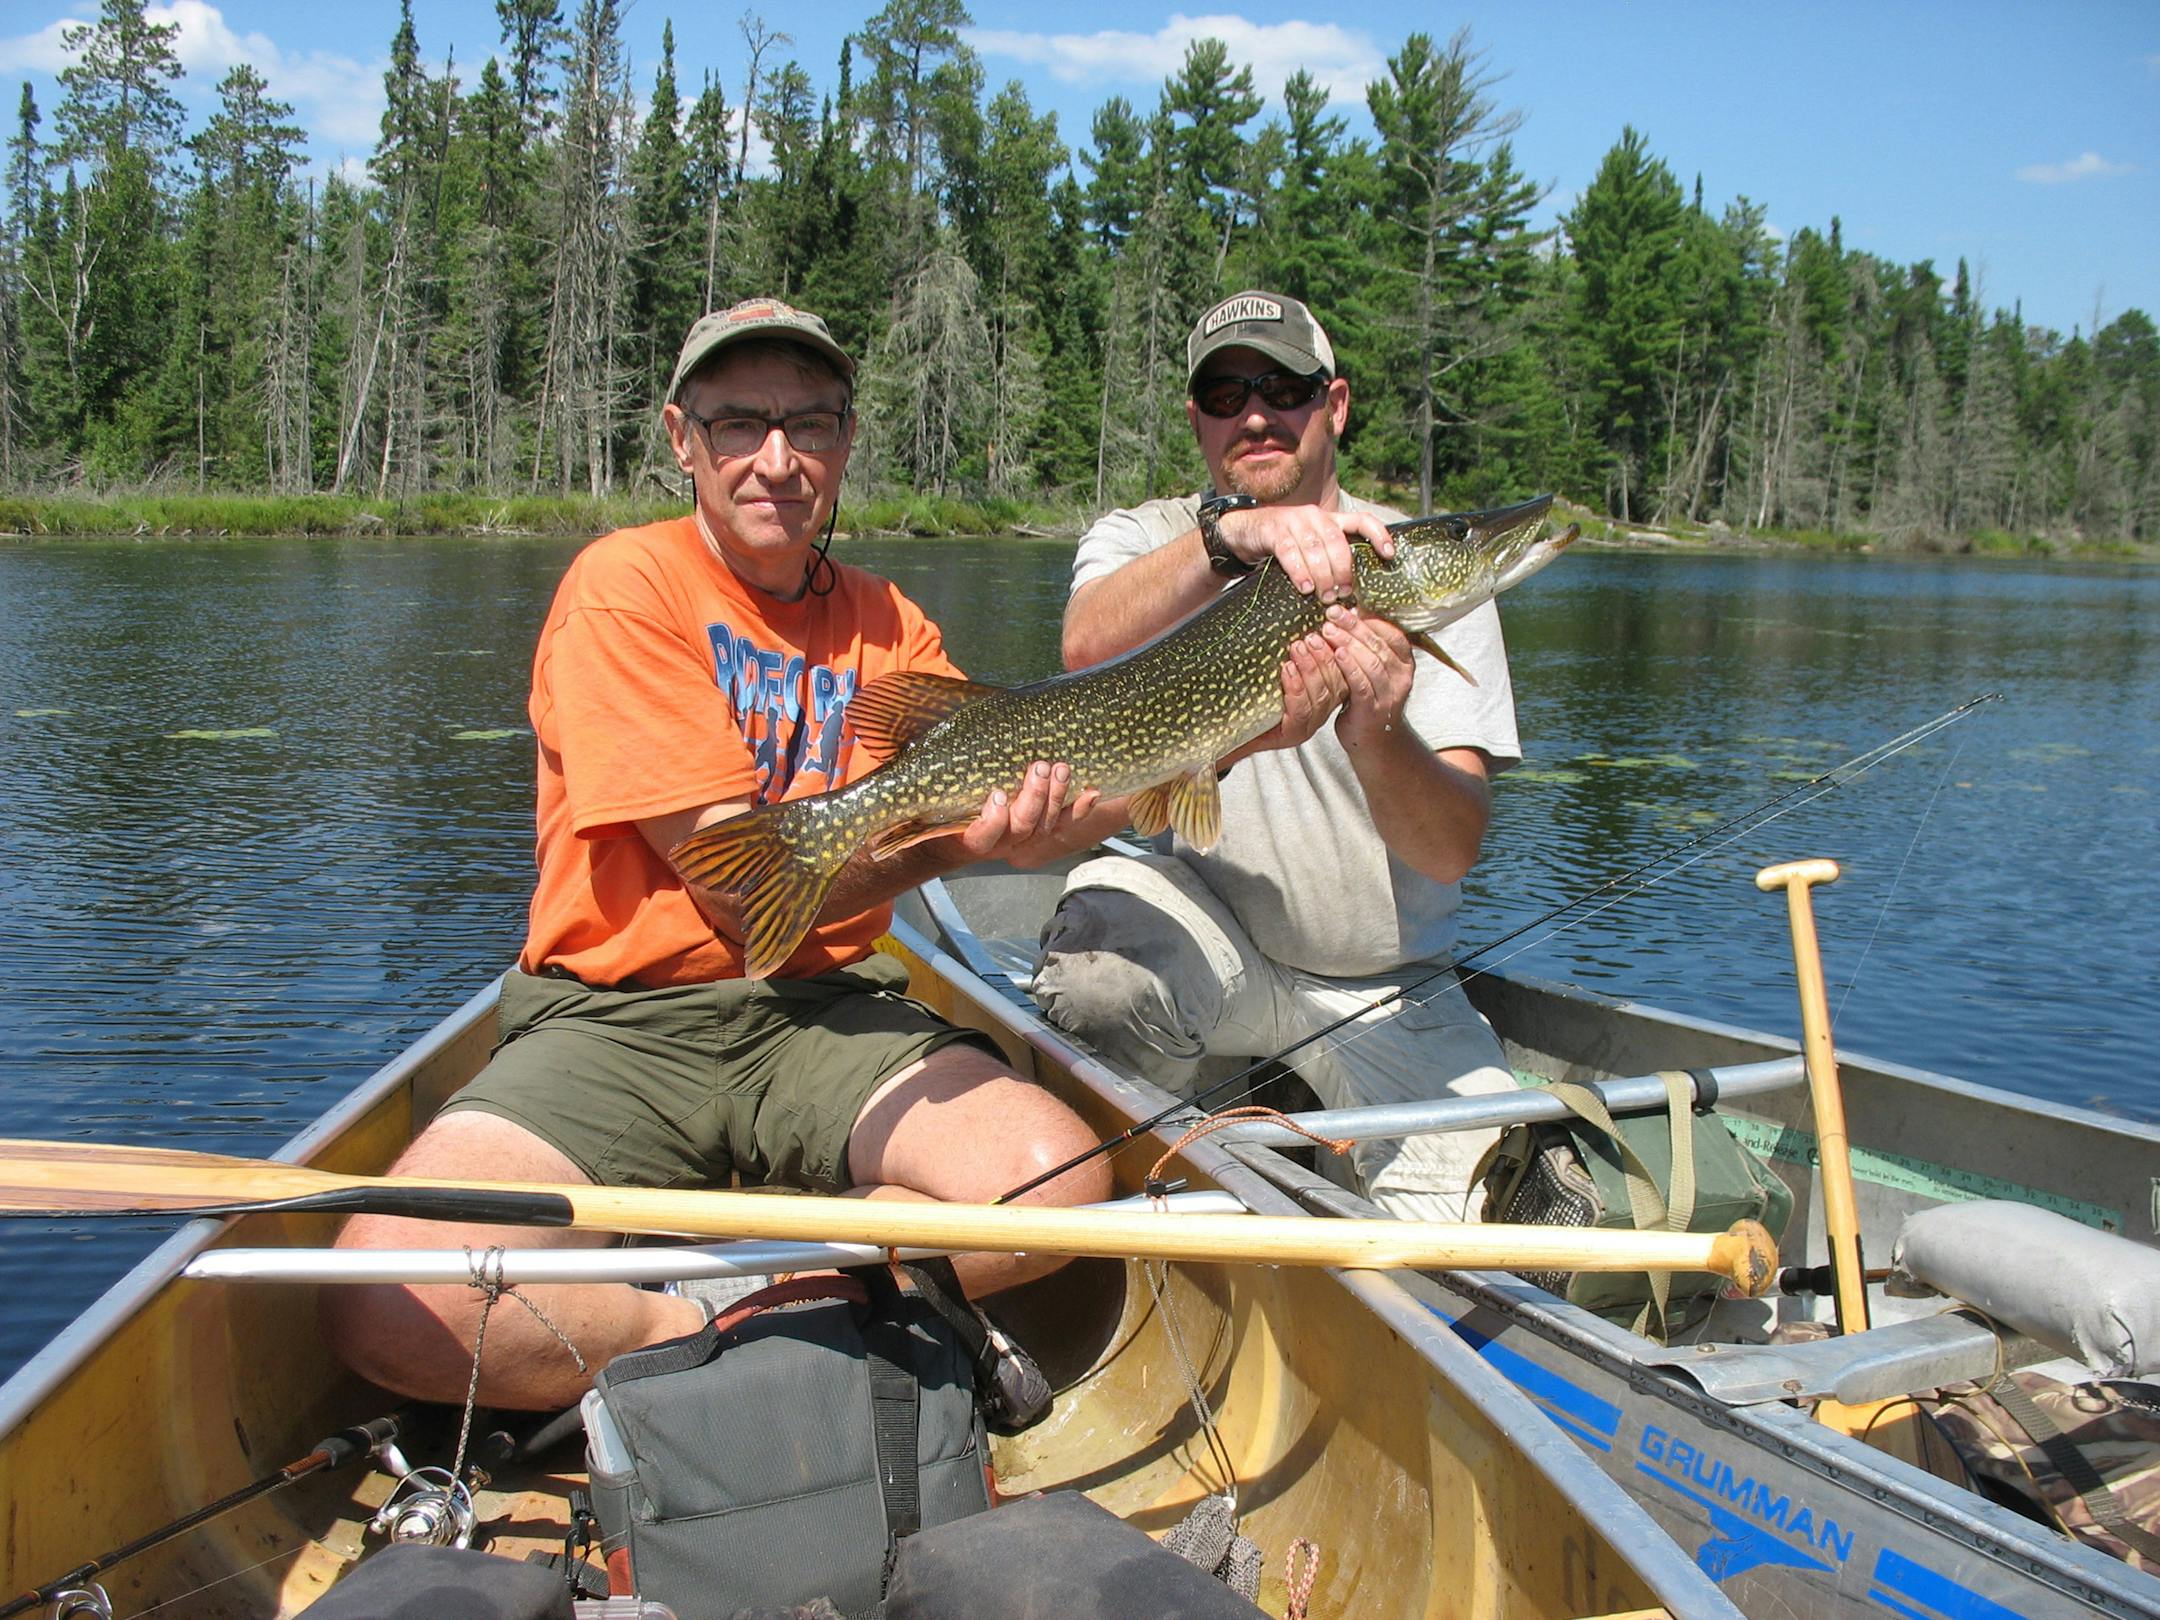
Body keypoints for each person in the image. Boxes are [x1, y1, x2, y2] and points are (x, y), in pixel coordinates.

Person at [327, 298, 1112, 1411]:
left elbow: (981, 819)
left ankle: (732, 1308)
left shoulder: (896, 628)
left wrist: (1046, 831)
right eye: (740, 424)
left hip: (826, 1012)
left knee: (1062, 1184)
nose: (777, 460)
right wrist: (945, 855)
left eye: (811, 424)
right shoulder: (624, 588)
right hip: (614, 1023)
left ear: (844, 443)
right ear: (682, 439)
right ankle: (722, 1319)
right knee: (394, 1301)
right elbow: (742, 894)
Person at [1031, 289, 1522, 1222]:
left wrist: (1377, 733)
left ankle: (1280, 1115)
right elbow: (1085, 644)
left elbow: (1453, 848)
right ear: (1198, 422)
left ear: (1333, 405)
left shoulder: (1410, 563)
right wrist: (1227, 536)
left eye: (1282, 387)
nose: (1254, 414)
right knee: (1099, 983)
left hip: (1387, 988)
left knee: (1485, 1243)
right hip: (1210, 945)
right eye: (1224, 396)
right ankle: (1171, 1168)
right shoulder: (1150, 541)